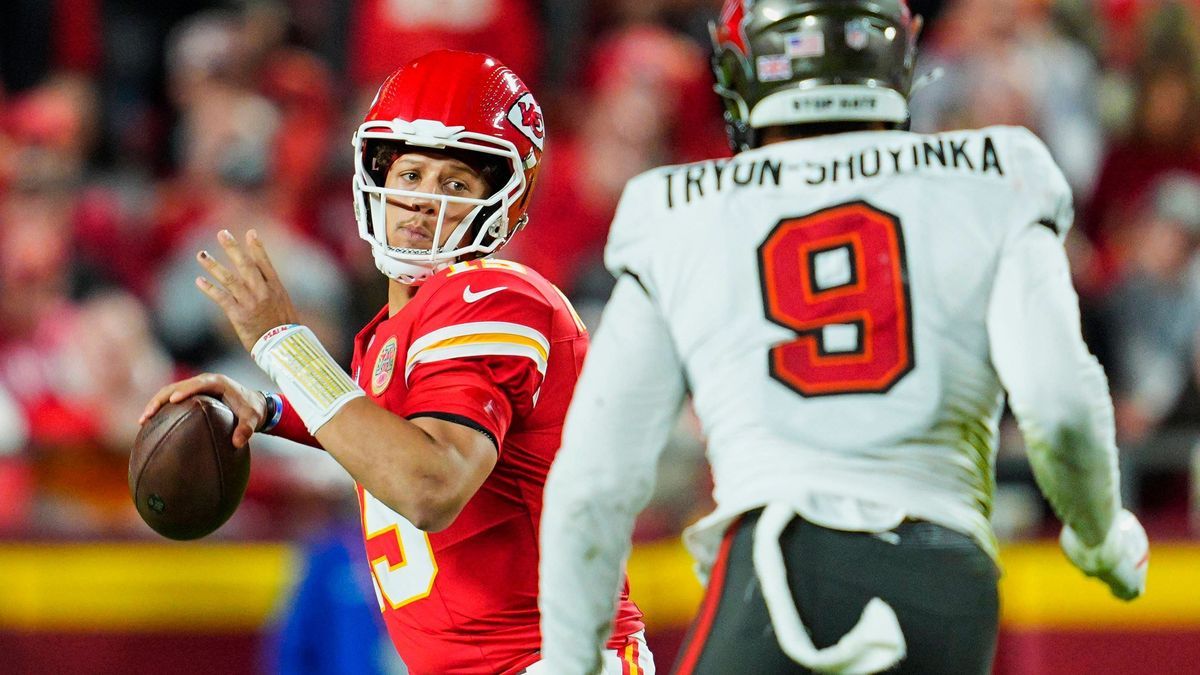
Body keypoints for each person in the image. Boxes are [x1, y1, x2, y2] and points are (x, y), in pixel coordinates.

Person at [537, 2, 1149, 674]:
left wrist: (573, 659)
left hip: (786, 569)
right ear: (897, 61)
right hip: (951, 581)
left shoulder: (682, 208)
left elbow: (596, 480)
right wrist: (1098, 534)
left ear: (745, 70)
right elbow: (1060, 404)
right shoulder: (995, 173)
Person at [139, 50, 650, 675]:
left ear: (507, 201)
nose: (421, 202)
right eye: (409, 173)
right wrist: (271, 409)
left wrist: (282, 344)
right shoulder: (401, 327)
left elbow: (428, 485)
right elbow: (392, 434)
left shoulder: (494, 298)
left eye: (455, 184)